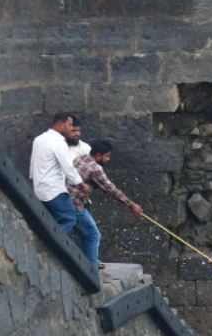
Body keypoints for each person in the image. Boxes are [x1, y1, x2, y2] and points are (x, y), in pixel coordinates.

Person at [67, 139, 144, 276]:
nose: (108, 159)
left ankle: (90, 263)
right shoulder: (96, 168)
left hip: (65, 200)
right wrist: (131, 204)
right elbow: (111, 189)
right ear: (98, 156)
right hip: (75, 205)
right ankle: (91, 272)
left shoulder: (81, 158)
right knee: (92, 235)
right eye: (106, 156)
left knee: (86, 235)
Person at [29, 111, 89, 235]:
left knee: (50, 220)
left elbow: (33, 163)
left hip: (39, 189)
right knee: (69, 219)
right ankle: (49, 244)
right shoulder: (59, 142)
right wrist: (81, 184)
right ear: (61, 124)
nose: (71, 128)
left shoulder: (39, 139)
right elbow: (68, 167)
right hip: (55, 190)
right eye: (70, 125)